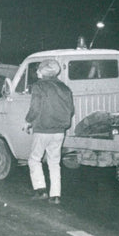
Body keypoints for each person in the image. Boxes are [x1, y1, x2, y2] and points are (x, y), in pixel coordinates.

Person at [25, 59, 75, 205]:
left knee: (34, 159)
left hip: (42, 130)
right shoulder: (65, 88)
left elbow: (35, 108)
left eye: (38, 69)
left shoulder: (39, 86)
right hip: (59, 132)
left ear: (44, 71)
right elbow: (71, 110)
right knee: (54, 162)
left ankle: (41, 191)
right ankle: (55, 196)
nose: (37, 72)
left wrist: (28, 121)